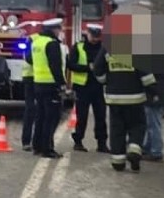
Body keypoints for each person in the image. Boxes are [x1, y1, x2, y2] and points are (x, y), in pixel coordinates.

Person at [93, 49, 158, 172]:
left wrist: (107, 81)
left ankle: (118, 162)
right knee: (137, 125)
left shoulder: (107, 49)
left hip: (114, 98)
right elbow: (146, 74)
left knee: (117, 129)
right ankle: (134, 150)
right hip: (135, 98)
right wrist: (153, 90)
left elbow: (97, 69)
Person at [27, 17, 67, 159]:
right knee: (51, 118)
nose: (60, 32)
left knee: (40, 116)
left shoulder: (36, 42)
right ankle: (47, 148)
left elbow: (29, 59)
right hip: (51, 85)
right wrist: (62, 84)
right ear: (54, 30)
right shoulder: (52, 44)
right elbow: (55, 66)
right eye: (59, 29)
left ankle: (36, 146)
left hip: (38, 83)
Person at [66, 24, 109, 153]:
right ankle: (78, 141)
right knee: (82, 116)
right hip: (82, 87)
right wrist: (88, 68)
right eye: (93, 36)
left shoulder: (103, 47)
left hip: (98, 86)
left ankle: (102, 144)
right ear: (88, 34)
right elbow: (71, 65)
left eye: (97, 37)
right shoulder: (78, 47)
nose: (95, 39)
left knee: (100, 116)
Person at [142, 71, 164, 162]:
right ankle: (148, 147)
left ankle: (156, 152)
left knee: (153, 124)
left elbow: (149, 78)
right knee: (152, 123)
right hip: (160, 93)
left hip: (155, 95)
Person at [20, 34, 38, 151]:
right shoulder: (36, 40)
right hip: (35, 78)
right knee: (34, 110)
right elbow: (29, 58)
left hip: (31, 78)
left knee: (31, 109)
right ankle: (33, 142)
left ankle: (28, 141)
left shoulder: (32, 38)